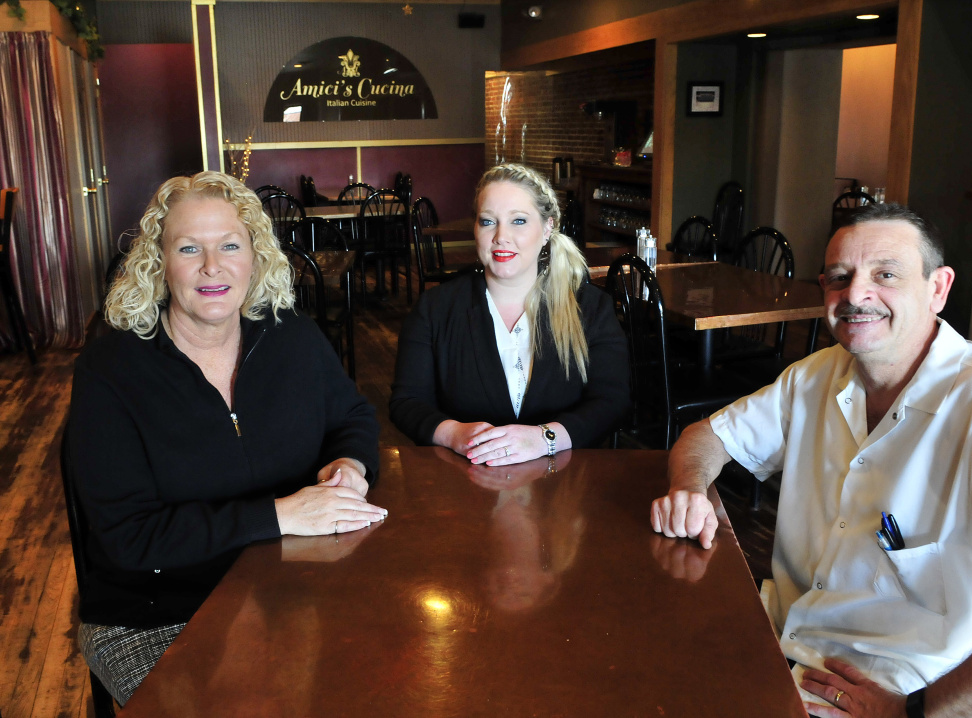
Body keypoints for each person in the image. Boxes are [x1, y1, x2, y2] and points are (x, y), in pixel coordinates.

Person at [650, 203, 972, 718]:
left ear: (938, 288)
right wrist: (690, 489)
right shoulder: (817, 375)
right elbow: (705, 437)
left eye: (885, 275)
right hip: (784, 641)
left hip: (902, 684)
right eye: (839, 277)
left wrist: (912, 712)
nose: (856, 295)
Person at [69, 171, 386, 705]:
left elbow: (352, 416)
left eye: (230, 245)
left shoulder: (294, 338)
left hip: (295, 586)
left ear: (255, 256)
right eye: (189, 248)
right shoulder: (110, 370)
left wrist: (350, 465)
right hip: (158, 614)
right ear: (159, 262)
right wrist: (281, 514)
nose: (212, 267)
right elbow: (127, 539)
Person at [389, 163, 629, 465]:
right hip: (464, 486)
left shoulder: (590, 308)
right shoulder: (434, 308)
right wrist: (454, 434)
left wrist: (545, 438)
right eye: (488, 222)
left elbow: (613, 401)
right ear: (476, 229)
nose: (501, 236)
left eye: (518, 221)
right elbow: (406, 402)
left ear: (547, 228)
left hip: (566, 487)